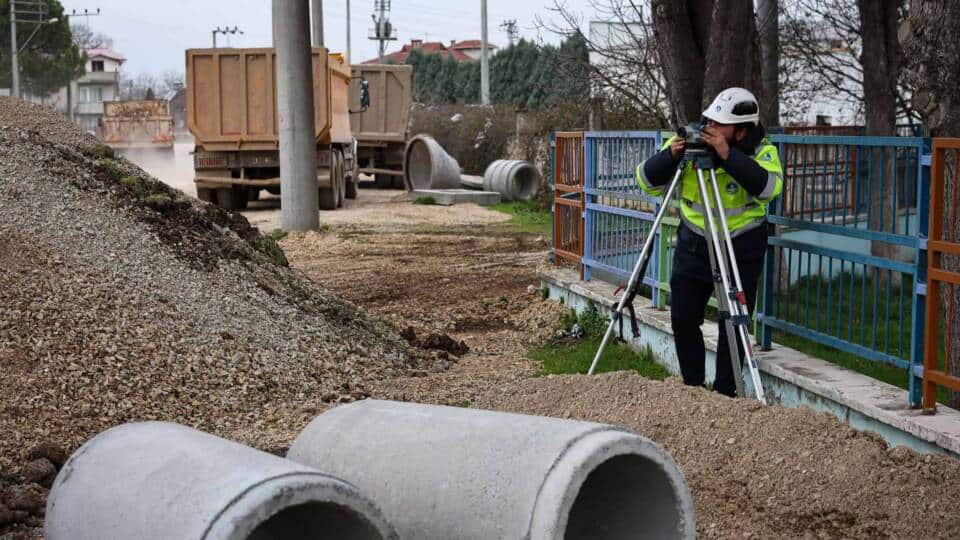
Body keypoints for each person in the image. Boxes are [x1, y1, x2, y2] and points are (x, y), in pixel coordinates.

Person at [636, 87, 783, 397]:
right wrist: (672, 154)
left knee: (733, 325)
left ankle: (726, 394)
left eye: (720, 126)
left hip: (739, 247)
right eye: (708, 122)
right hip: (694, 244)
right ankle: (693, 388)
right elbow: (646, 181)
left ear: (741, 132)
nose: (710, 130)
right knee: (683, 317)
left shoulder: (763, 151)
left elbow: (768, 188)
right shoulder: (690, 146)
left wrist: (727, 157)